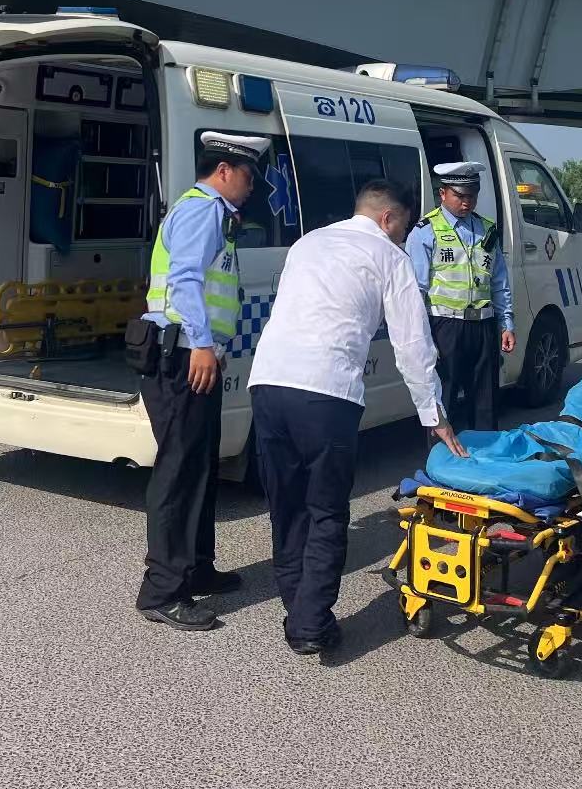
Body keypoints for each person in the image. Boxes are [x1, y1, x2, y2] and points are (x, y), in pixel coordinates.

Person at [248, 180, 468, 655]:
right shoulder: (390, 257)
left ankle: (299, 608)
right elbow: (413, 345)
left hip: (267, 384)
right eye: (404, 225)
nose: (405, 235)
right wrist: (434, 414)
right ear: (388, 218)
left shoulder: (308, 242)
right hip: (327, 393)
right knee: (326, 510)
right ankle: (310, 624)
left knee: (287, 507)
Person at [135, 131, 271, 632]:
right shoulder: (201, 211)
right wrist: (201, 344)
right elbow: (185, 281)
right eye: (249, 175)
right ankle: (162, 591)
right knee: (178, 470)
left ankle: (196, 567)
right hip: (180, 355)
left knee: (199, 466)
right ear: (224, 171)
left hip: (190, 353)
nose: (253, 185)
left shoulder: (217, 214)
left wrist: (210, 348)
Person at [406, 161, 515, 431]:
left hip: (483, 325)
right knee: (445, 401)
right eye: (460, 196)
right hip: (445, 327)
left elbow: (499, 281)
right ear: (443, 193)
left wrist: (507, 324)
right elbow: (416, 290)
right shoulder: (426, 231)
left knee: (486, 402)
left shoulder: (487, 229)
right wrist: (421, 337)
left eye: (472, 196)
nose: (467, 202)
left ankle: (485, 454)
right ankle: (442, 456)